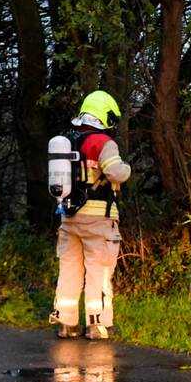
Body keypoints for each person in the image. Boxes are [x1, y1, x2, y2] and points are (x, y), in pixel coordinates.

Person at [50, 90, 132, 340]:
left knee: (69, 268)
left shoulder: (67, 140)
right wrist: (127, 169)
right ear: (104, 116)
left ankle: (66, 323)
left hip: (69, 218)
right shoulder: (102, 143)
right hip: (99, 220)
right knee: (100, 270)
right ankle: (98, 325)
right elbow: (116, 173)